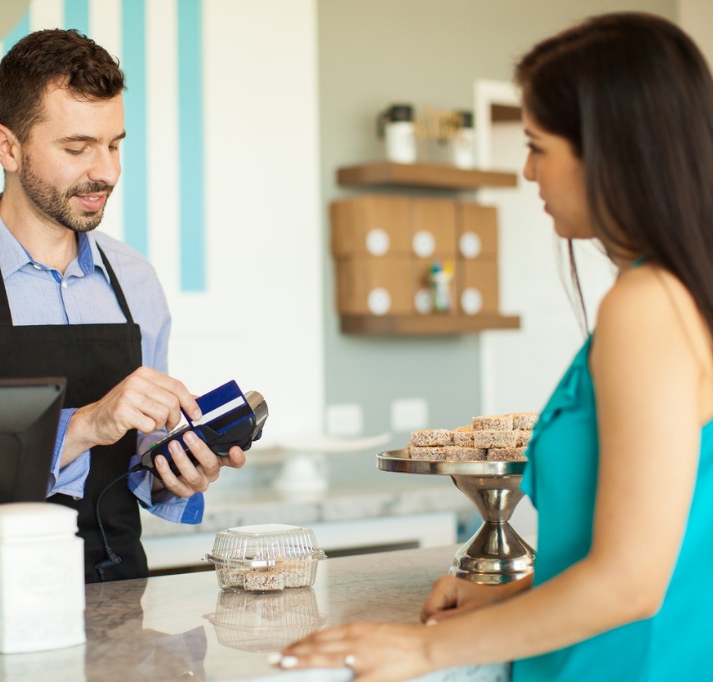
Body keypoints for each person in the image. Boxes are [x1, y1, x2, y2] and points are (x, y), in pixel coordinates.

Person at [276, 12, 713, 680]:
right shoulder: (675, 294)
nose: (527, 170)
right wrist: (508, 595)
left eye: (538, 145)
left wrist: (421, 649)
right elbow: (663, 542)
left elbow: (632, 583)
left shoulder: (645, 306)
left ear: (607, 150)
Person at [0, 28, 246, 583]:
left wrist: (179, 467)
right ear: (8, 147)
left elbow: (137, 466)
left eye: (115, 144)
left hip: (120, 592)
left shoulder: (136, 279)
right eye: (77, 149)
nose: (105, 171)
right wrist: (88, 422)